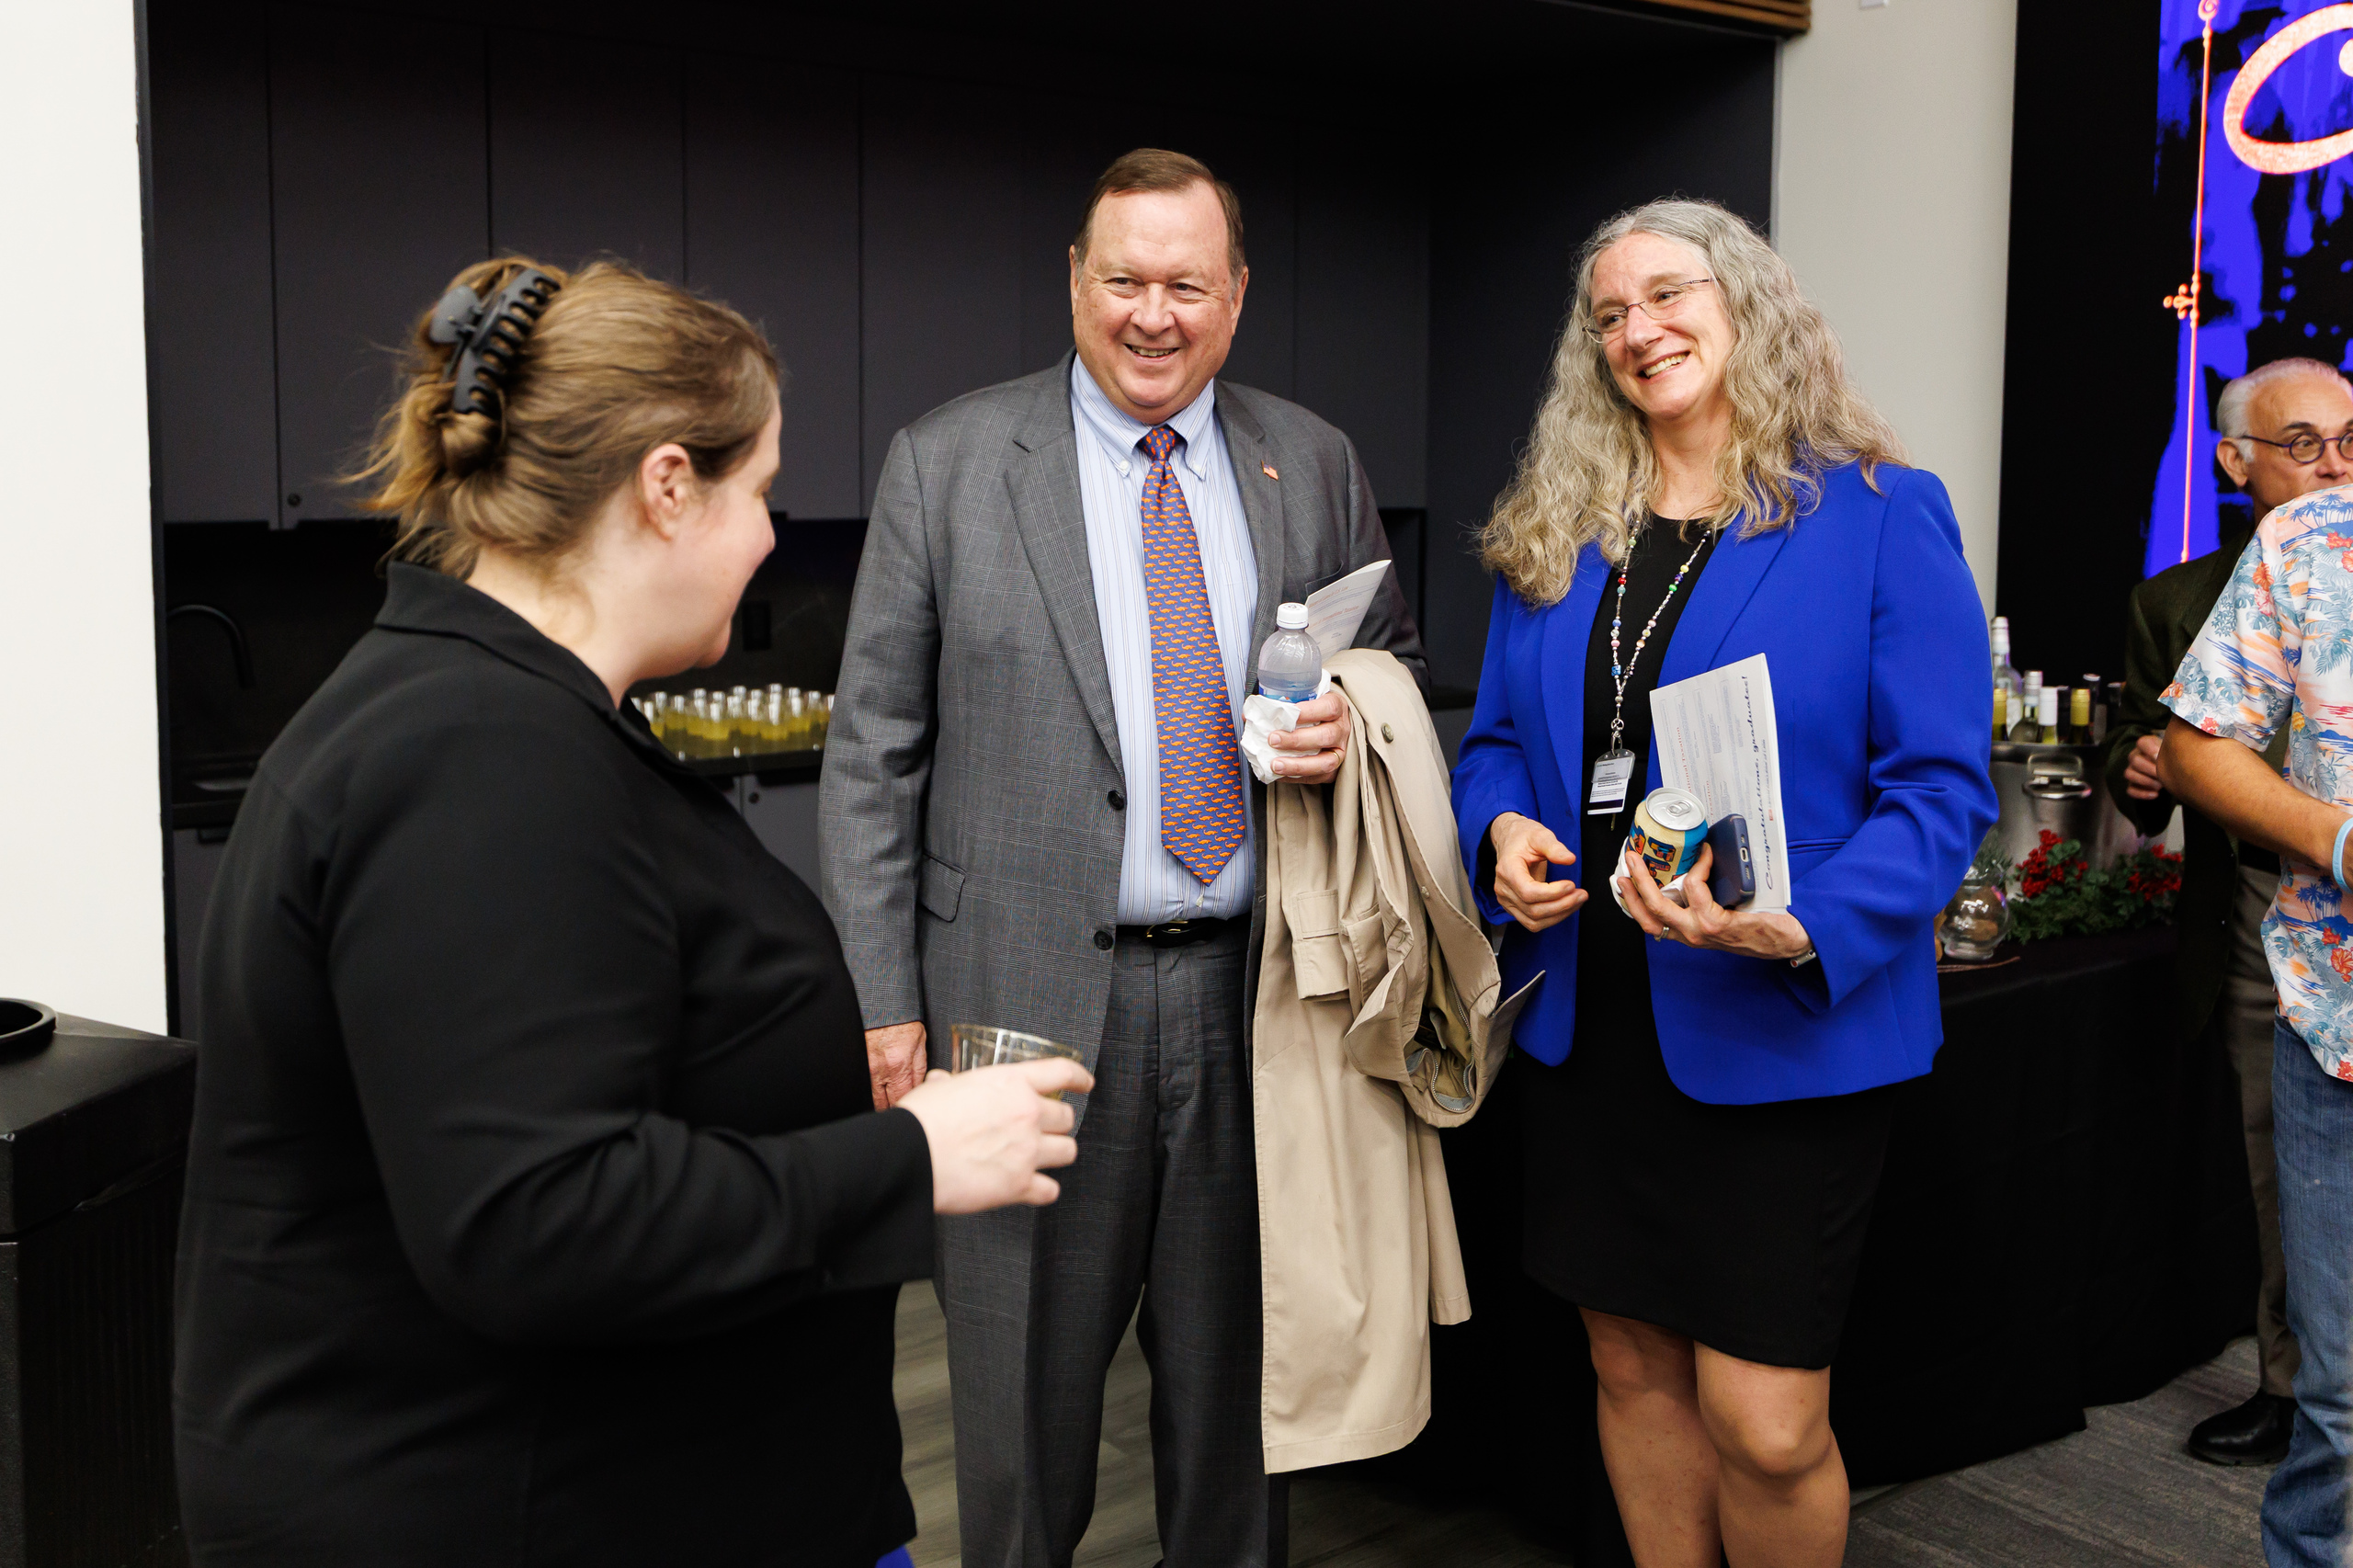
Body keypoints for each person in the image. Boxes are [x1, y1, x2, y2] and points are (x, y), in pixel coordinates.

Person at [173, 256, 1090, 1567]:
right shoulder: (478, 756)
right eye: (760, 489)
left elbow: (568, 1084)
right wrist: (911, 1159)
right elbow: (536, 1219)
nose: (772, 534)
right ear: (669, 484)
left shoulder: (489, 712)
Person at [819, 148, 1424, 1568]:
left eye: (1187, 285)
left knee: (1236, 1415)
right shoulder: (950, 463)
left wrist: (1351, 715)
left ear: (1237, 296)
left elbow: (1387, 666)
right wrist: (881, 1004)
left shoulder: (1310, 460)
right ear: (1076, 283)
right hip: (1012, 1014)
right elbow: (872, 757)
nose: (1154, 314)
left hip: (1254, 1001)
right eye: (1126, 281)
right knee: (1023, 1415)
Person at [1449, 199, 1995, 1568]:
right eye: (1610, 314)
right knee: (1630, 1367)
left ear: (1749, 302)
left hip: (1779, 1022)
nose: (1640, 330)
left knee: (1764, 1420)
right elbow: (1500, 743)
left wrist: (1804, 920)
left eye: (1669, 295)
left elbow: (1941, 790)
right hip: (1593, 1016)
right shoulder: (1561, 531)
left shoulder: (1877, 514)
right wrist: (1500, 832)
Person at [2103, 357, 2353, 1466]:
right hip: (2263, 901)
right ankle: (2294, 1388)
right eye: (2302, 442)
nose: (2332, 463)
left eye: (2347, 441)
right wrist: (2144, 764)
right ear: (2233, 459)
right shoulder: (2175, 600)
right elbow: (2138, 742)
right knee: (2284, 1172)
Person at [2161, 477, 2353, 1568]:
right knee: (2338, 1396)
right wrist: (2337, 843)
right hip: (2335, 1032)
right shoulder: (2309, 538)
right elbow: (2194, 748)